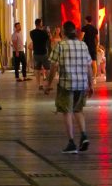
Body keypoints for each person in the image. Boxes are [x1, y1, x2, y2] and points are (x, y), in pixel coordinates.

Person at [46, 21, 93, 154]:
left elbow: (53, 66)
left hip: (66, 84)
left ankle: (71, 143)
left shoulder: (60, 45)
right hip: (82, 84)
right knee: (78, 110)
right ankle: (84, 135)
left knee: (67, 112)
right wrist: (90, 84)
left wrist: (48, 84)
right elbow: (88, 66)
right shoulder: (83, 45)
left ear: (63, 31)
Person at [29, 19, 52, 92]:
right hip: (44, 53)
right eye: (42, 23)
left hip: (36, 53)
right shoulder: (44, 32)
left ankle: (39, 84)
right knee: (47, 69)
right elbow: (50, 39)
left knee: (37, 70)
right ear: (40, 24)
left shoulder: (32, 33)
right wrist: (48, 32)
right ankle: (48, 84)